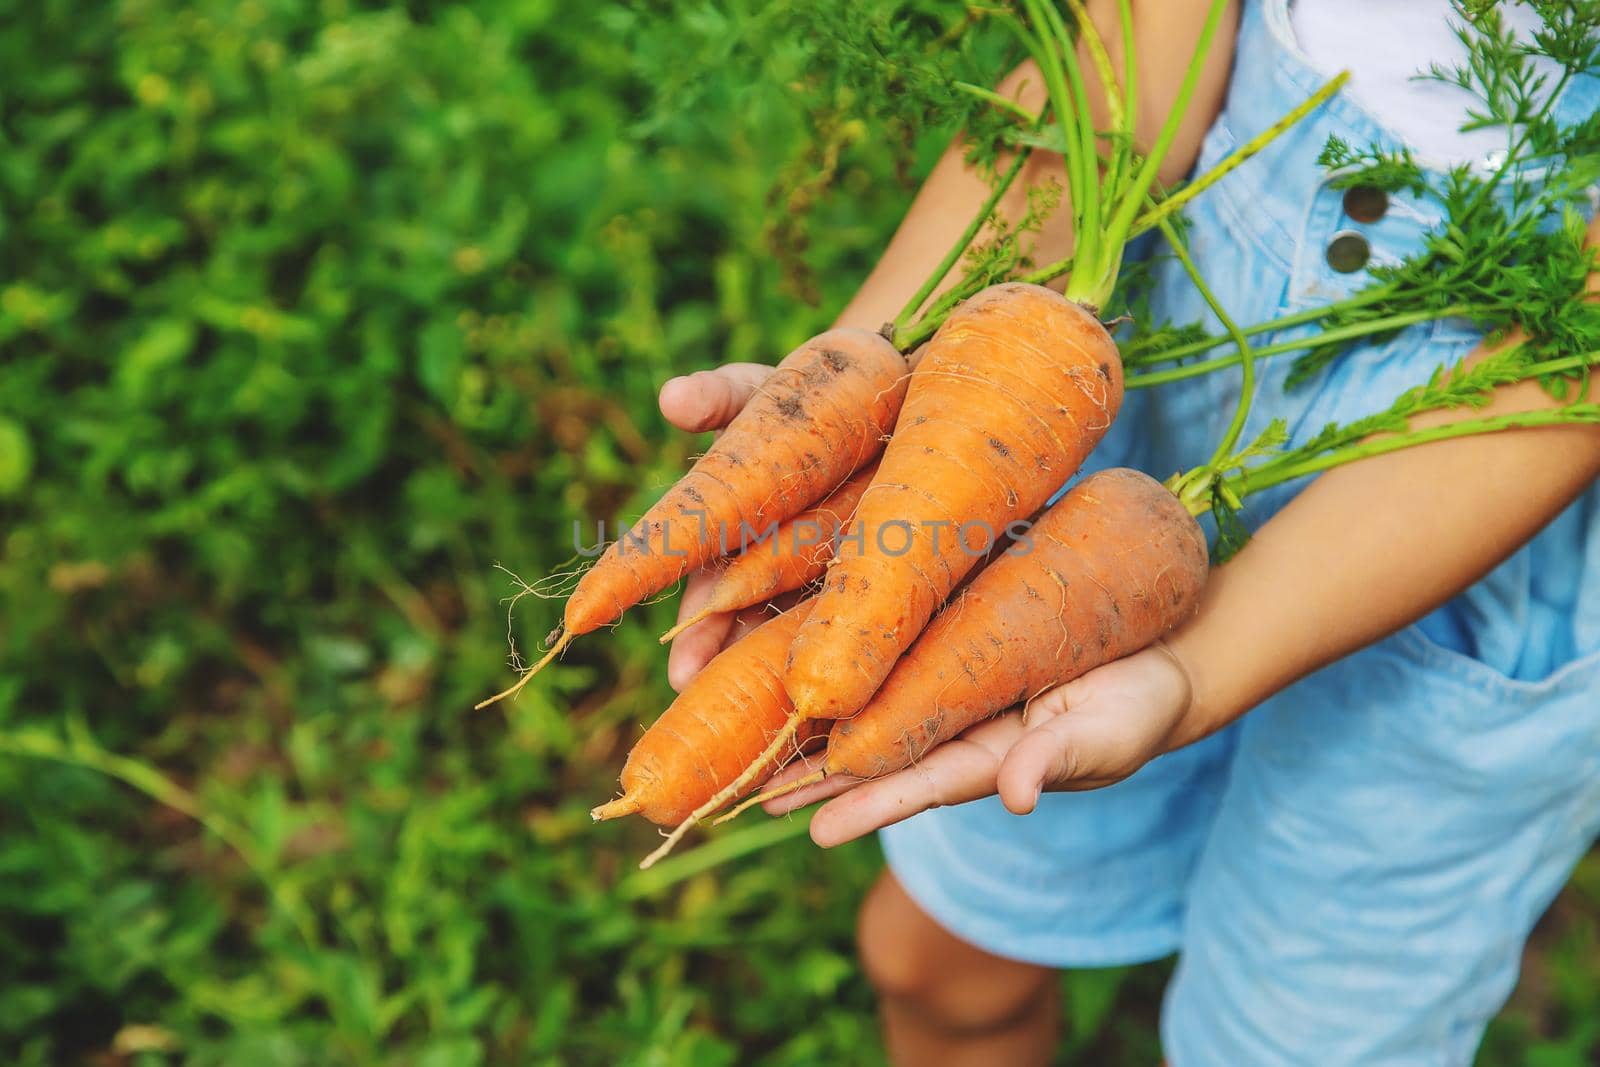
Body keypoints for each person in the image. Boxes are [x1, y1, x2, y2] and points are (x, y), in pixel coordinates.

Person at [659, 1, 1600, 1063]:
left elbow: (1576, 354)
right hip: (1098, 420)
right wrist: (863, 378)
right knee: (941, 962)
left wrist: (1196, 669)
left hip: (1471, 516)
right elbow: (1134, 51)